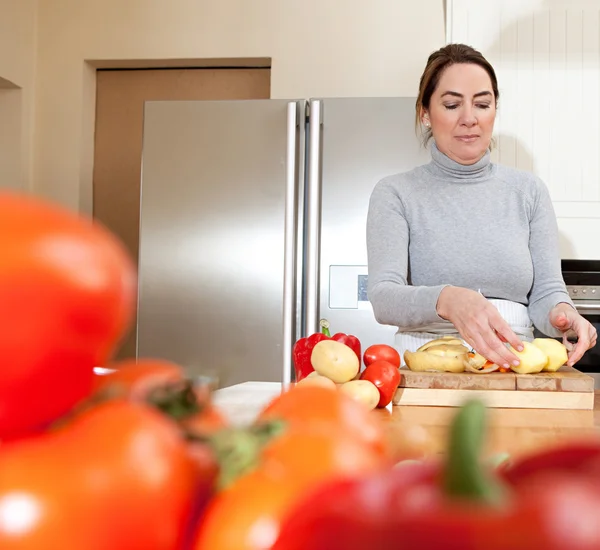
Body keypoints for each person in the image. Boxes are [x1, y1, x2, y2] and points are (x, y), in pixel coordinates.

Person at [366, 43, 597, 369]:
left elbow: (546, 290)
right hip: (428, 366)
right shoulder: (395, 193)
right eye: (451, 104)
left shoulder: (529, 191)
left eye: (482, 104)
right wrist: (448, 299)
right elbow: (383, 297)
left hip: (513, 362)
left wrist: (564, 314)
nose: (469, 119)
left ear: (494, 110)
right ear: (425, 113)